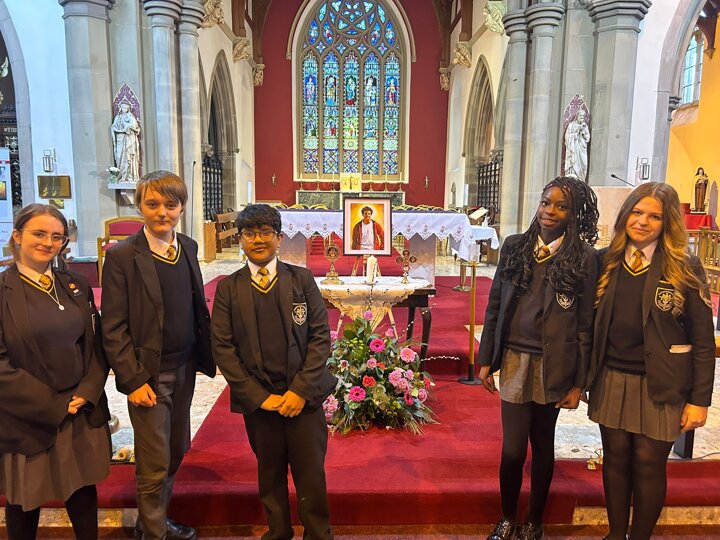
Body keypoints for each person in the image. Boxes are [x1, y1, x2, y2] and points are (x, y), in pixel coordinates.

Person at [585, 182, 715, 540]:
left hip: (662, 383)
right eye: (637, 212)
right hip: (612, 377)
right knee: (615, 459)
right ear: (625, 214)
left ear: (667, 222)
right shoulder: (605, 260)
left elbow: (703, 341)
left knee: (648, 464)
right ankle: (616, 534)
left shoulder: (683, 267)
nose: (642, 222)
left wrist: (699, 400)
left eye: (654, 216)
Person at [478, 177, 600, 540]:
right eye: (546, 202)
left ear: (574, 214)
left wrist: (579, 383)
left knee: (543, 444)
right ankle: (507, 517)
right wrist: (486, 359)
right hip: (515, 359)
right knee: (513, 450)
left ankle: (534, 521)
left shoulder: (583, 258)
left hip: (554, 364)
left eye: (561, 206)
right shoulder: (515, 246)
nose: (550, 211)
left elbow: (586, 325)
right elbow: (495, 306)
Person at [211, 204, 337, 540]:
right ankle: (278, 532)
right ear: (240, 239)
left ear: (279, 238)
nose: (258, 240)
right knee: (269, 473)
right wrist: (259, 397)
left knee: (311, 473)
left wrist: (300, 391)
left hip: (303, 399)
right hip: (261, 402)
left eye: (266, 232)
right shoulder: (228, 288)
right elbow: (223, 348)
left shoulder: (301, 279)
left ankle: (318, 534)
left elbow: (320, 338)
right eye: (250, 234)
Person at [102, 170, 215, 540]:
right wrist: (133, 380)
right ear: (140, 207)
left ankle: (153, 521)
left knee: (176, 448)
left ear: (181, 207)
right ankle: (154, 533)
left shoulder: (189, 247)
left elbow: (195, 305)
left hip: (185, 366)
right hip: (148, 374)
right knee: (153, 459)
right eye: (152, 204)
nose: (162, 212)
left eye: (170, 204)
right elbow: (113, 326)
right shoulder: (122, 256)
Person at [0, 203, 111, 540]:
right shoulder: (3, 291)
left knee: (82, 488)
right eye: (39, 233)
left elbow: (96, 344)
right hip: (27, 413)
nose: (48, 242)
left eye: (57, 237)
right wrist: (52, 405)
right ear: (17, 235)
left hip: (79, 409)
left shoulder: (75, 284)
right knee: (24, 497)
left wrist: (89, 390)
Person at [112, 100, 141, 183]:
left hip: (128, 139)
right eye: (123, 108)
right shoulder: (118, 117)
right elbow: (114, 126)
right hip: (120, 139)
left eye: (126, 108)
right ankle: (121, 175)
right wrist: (118, 129)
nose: (124, 109)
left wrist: (128, 126)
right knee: (119, 157)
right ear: (120, 108)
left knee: (129, 157)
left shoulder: (130, 116)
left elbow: (135, 126)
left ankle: (129, 175)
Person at [564, 110, 590, 182]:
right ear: (577, 116)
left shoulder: (585, 126)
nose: (582, 119)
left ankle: (581, 180)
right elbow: (567, 137)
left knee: (583, 164)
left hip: (582, 148)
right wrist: (576, 133)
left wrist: (583, 134)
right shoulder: (571, 125)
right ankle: (573, 178)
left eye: (583, 117)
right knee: (574, 162)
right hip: (574, 148)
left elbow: (588, 137)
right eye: (580, 117)